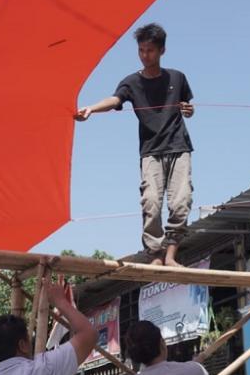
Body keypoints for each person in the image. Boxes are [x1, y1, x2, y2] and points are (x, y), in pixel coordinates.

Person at [75, 23, 195, 266]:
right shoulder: (131, 82)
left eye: (149, 50)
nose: (144, 55)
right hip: (150, 151)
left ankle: (171, 255)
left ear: (162, 51)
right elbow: (115, 99)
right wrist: (92, 109)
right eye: (141, 50)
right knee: (151, 202)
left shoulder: (177, 77)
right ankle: (155, 255)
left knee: (181, 202)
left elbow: (188, 107)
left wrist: (189, 110)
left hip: (178, 146)